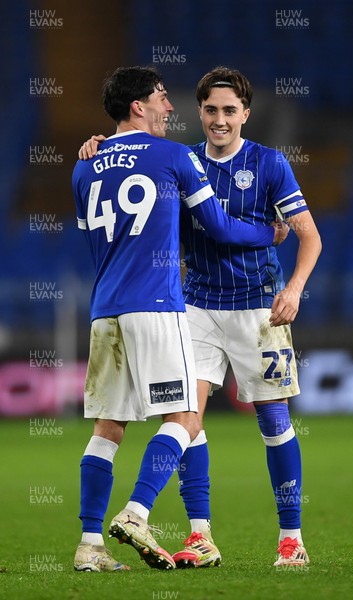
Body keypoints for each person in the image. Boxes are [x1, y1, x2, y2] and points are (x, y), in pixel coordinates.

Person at [79, 66, 321, 569]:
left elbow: (310, 236)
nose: (218, 119)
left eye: (229, 110)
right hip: (195, 306)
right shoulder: (182, 158)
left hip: (259, 307)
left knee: (274, 422)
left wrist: (294, 289)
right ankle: (200, 534)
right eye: (210, 109)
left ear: (245, 115)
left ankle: (291, 537)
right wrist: (100, 144)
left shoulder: (270, 164)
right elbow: (209, 221)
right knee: (191, 418)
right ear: (201, 111)